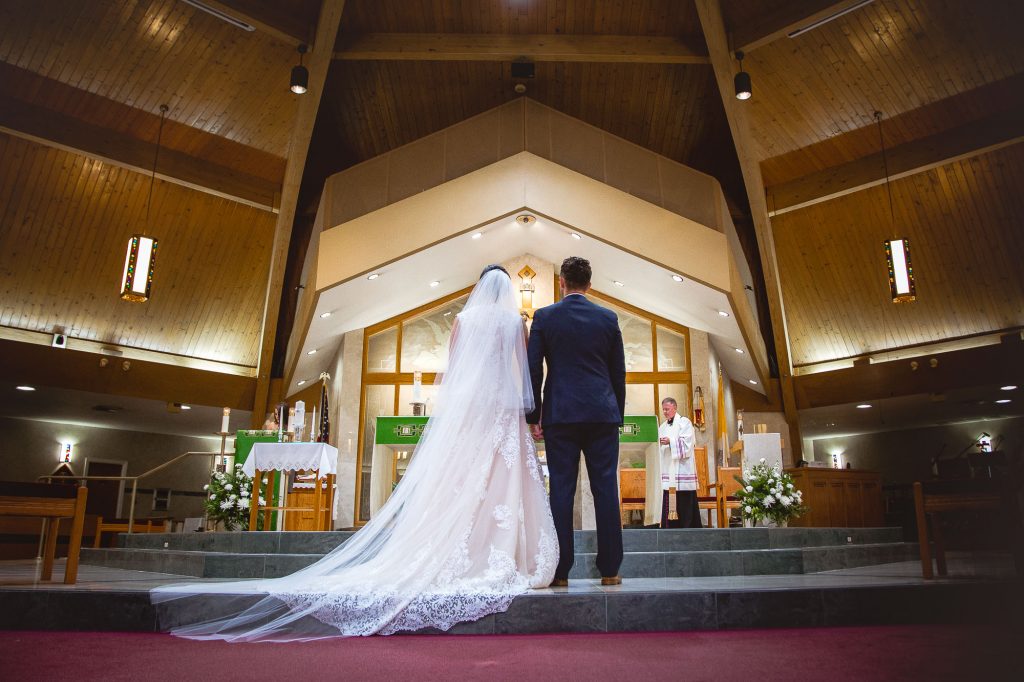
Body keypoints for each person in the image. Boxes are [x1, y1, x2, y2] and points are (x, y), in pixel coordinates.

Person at [152, 265, 557, 640]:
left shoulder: (464, 321)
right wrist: (529, 411)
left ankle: (462, 549)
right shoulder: (514, 322)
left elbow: (453, 370)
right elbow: (522, 368)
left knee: (458, 478)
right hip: (502, 407)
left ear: (479, 289)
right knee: (502, 479)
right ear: (505, 291)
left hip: (469, 408)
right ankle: (503, 552)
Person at [526, 257, 626, 586]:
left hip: (561, 414)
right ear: (590, 285)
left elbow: (534, 369)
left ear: (561, 282)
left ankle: (560, 570)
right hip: (602, 415)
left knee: (562, 491)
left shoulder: (545, 317)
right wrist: (617, 415)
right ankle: (610, 569)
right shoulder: (608, 318)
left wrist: (534, 414)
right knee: (605, 489)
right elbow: (617, 374)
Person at [658, 397, 701, 528]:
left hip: (682, 472)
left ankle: (687, 529)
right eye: (663, 409)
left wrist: (670, 441)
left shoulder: (684, 422)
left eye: (667, 409)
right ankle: (669, 529)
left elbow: (687, 445)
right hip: (668, 471)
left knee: (684, 503)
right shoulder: (662, 426)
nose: (665, 412)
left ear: (675, 408)